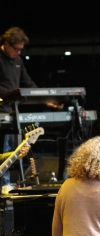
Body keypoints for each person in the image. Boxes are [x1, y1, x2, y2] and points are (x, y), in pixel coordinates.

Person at [0, 26, 38, 184]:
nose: (19, 52)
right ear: (6, 43)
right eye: (16, 49)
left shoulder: (18, 61)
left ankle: (6, 187)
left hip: (12, 114)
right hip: (1, 112)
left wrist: (46, 98)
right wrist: (12, 94)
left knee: (13, 154)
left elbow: (27, 82)